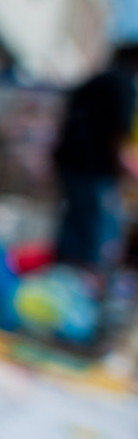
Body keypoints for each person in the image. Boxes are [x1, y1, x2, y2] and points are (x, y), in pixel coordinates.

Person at [53, 41, 138, 273]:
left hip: (70, 163)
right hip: (94, 169)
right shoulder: (122, 84)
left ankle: (62, 276)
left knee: (74, 225)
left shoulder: (94, 81)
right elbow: (117, 134)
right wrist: (128, 170)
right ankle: (78, 284)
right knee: (94, 234)